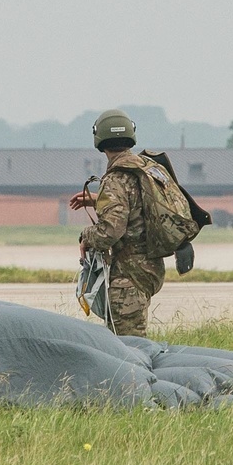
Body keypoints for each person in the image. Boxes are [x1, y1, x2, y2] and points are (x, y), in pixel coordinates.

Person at [68, 109, 165, 337]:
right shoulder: (143, 169)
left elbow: (110, 232)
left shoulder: (116, 178)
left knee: (129, 350)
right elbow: (136, 209)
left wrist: (86, 236)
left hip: (128, 277)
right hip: (148, 269)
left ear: (99, 139)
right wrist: (98, 201)